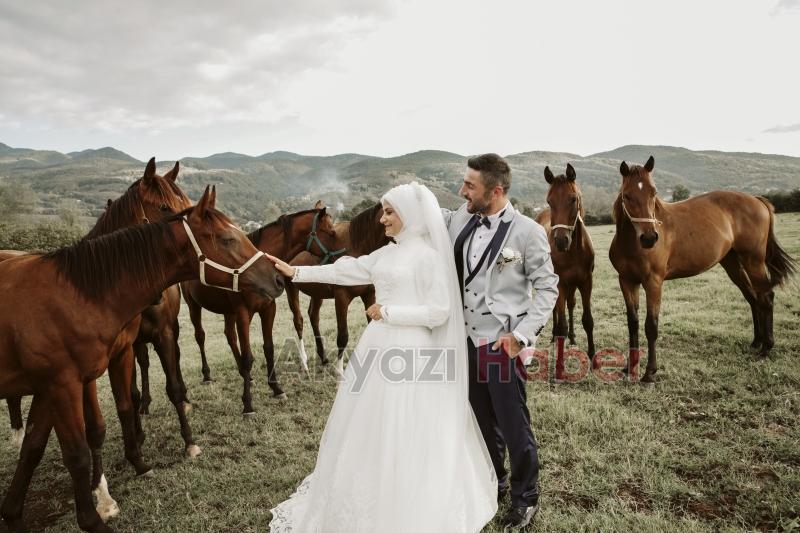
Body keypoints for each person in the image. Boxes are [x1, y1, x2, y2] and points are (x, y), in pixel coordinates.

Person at [266, 182, 498, 532]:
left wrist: (388, 312)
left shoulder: (428, 257)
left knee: (408, 421)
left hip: (413, 353)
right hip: (377, 347)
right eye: (383, 212)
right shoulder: (386, 253)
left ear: (411, 215)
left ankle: (410, 494)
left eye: (389, 212)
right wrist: (296, 272)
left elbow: (439, 312)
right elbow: (346, 270)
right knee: (370, 420)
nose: (382, 219)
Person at [441, 153, 559, 530]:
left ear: (495, 191)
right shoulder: (460, 218)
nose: (462, 191)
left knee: (512, 423)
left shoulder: (527, 231)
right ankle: (496, 479)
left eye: (470, 185)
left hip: (500, 343)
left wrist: (520, 336)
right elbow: (425, 220)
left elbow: (547, 288)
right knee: (480, 419)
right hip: (465, 340)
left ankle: (527, 497)